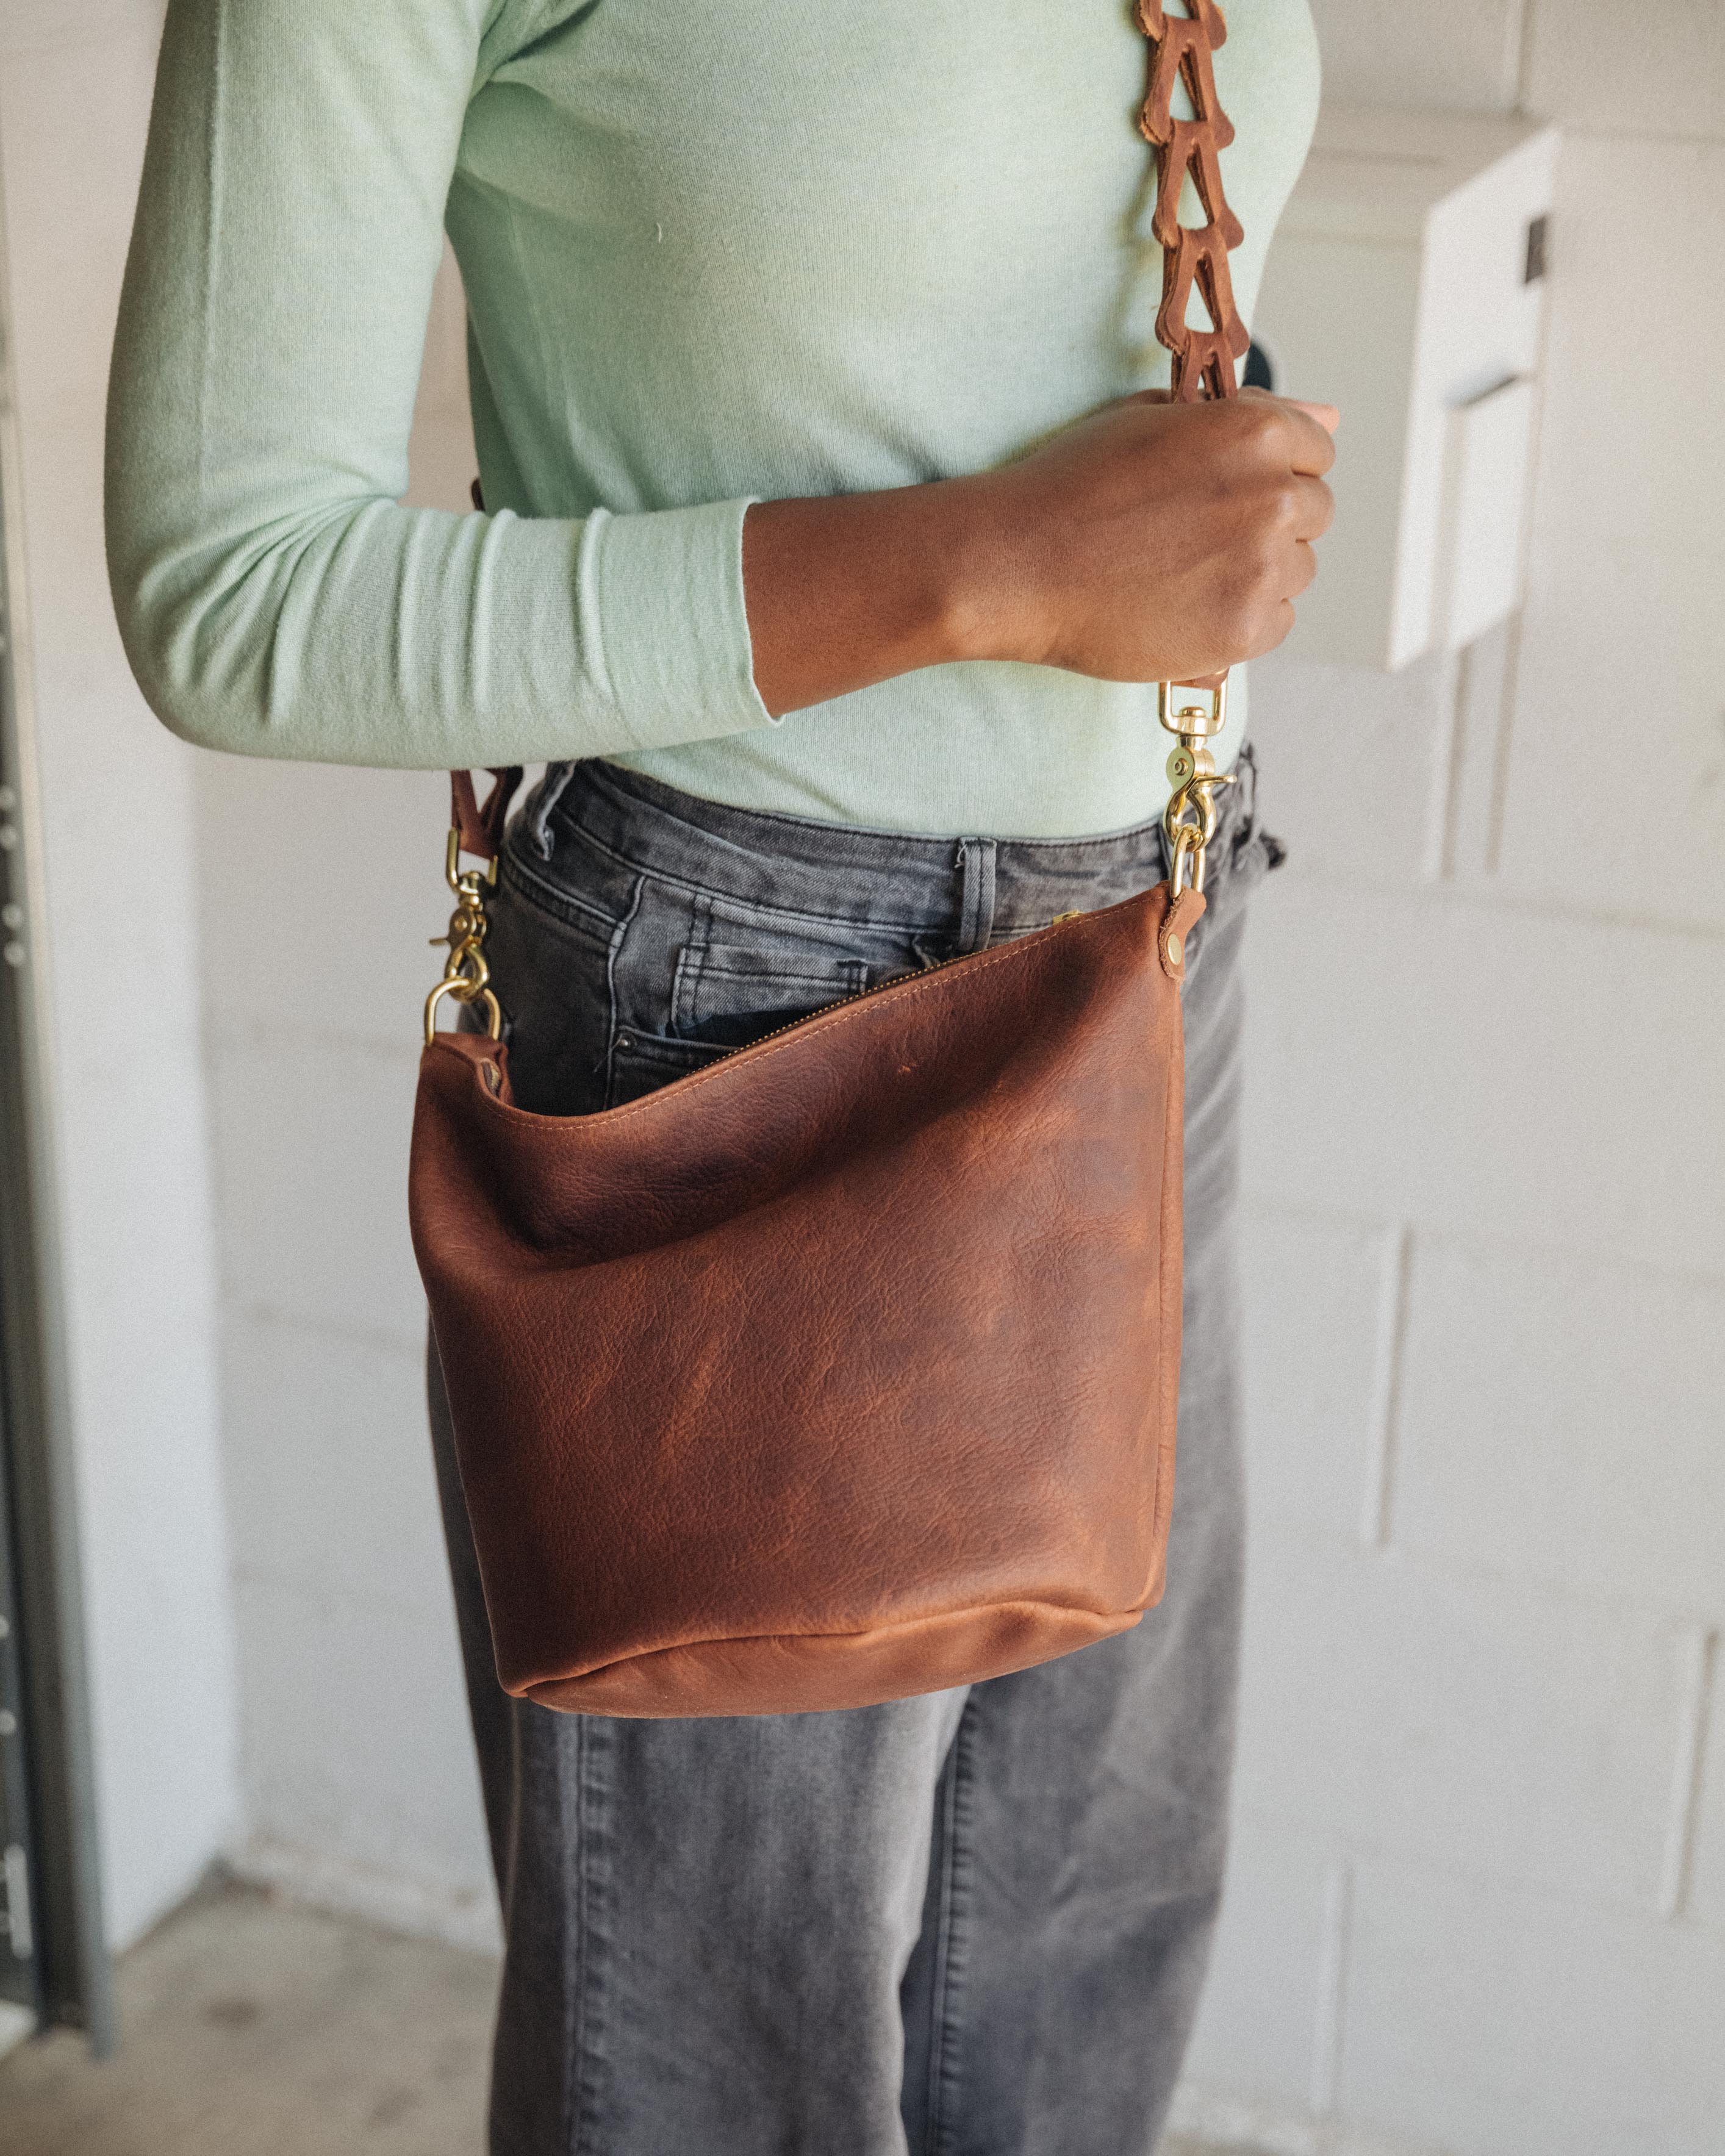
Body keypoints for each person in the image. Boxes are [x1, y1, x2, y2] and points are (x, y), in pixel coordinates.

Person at [106, 3, 1335, 2150]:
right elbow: (233, 593)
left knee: (1083, 1905)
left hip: (1147, 911)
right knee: (715, 2028)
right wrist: (998, 565)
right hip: (737, 993)